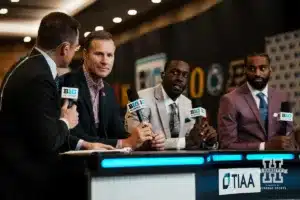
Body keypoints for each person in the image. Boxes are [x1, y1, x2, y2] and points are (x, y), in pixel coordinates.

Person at [0, 12, 82, 199]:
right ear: (65, 48)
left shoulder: (23, 65)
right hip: (26, 184)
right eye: (76, 49)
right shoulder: (40, 76)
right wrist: (66, 121)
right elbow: (47, 141)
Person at [59, 30, 155, 150]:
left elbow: (117, 132)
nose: (105, 61)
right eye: (99, 54)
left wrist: (142, 140)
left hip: (103, 164)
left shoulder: (108, 90)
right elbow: (73, 135)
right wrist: (123, 143)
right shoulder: (67, 84)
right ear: (85, 54)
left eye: (109, 55)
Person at [125, 60, 217, 150]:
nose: (180, 79)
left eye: (185, 75)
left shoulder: (187, 103)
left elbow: (193, 141)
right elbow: (136, 140)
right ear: (162, 75)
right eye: (175, 73)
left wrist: (207, 141)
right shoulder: (142, 99)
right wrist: (183, 143)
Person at [218, 52, 297, 150]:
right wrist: (265, 146)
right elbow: (227, 145)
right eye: (252, 69)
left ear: (270, 70)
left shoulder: (282, 97)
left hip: (280, 162)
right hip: (247, 164)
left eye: (262, 68)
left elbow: (289, 135)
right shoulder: (230, 100)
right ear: (245, 71)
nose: (257, 73)